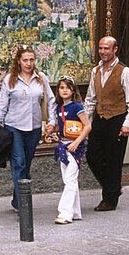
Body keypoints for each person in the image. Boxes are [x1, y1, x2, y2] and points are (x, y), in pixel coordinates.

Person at [0, 44, 57, 212]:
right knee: (19, 164)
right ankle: (23, 206)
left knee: (26, 165)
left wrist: (52, 121)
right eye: (25, 60)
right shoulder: (9, 80)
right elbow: (2, 105)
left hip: (34, 128)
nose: (28, 63)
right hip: (14, 128)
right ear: (19, 61)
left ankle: (17, 199)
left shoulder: (41, 78)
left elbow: (50, 101)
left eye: (31, 60)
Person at [83, 36, 129, 211]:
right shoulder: (96, 71)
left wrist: (128, 123)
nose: (103, 52)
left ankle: (109, 199)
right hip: (100, 119)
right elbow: (91, 99)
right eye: (100, 48)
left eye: (106, 48)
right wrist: (86, 122)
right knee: (92, 156)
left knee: (114, 160)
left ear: (115, 50)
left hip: (117, 119)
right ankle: (113, 187)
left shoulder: (125, 72)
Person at [53, 76, 90, 224]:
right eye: (62, 88)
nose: (64, 90)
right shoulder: (58, 108)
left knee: (70, 179)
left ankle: (65, 213)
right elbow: (60, 126)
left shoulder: (77, 107)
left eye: (67, 88)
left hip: (75, 147)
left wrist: (77, 142)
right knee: (69, 180)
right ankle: (75, 212)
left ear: (73, 90)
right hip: (63, 145)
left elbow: (87, 126)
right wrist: (52, 128)